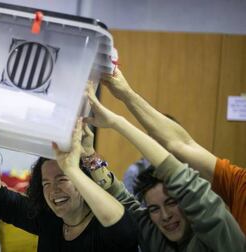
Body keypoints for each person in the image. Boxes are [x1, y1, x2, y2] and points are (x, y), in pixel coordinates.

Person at [86, 85, 245, 251]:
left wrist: (116, 122)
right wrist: (90, 155)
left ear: (187, 204)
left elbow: (185, 182)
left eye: (171, 203)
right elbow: (123, 201)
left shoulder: (220, 236)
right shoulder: (158, 238)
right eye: (154, 208)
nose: (166, 216)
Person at [0, 119, 139, 252]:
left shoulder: (105, 227)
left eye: (62, 179)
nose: (53, 190)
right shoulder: (49, 220)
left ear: (82, 181)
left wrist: (86, 155)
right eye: (45, 183)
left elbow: (124, 227)